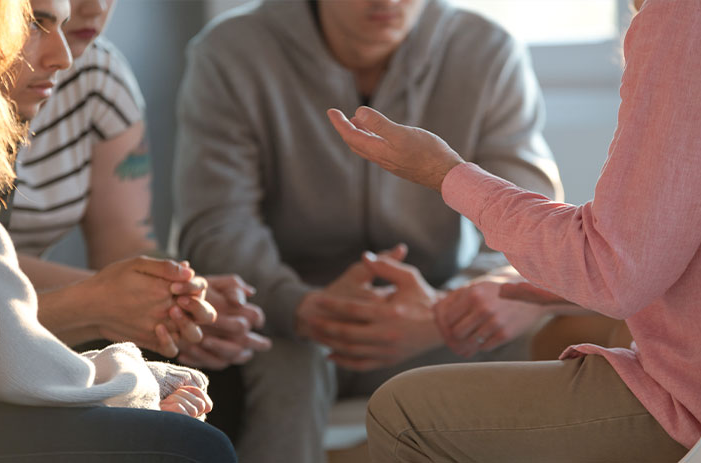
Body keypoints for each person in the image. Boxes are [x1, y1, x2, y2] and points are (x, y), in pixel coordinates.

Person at [172, 0, 568, 460]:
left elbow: (533, 221)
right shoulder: (231, 50)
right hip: (285, 320)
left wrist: (447, 307)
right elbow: (217, 224)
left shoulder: (487, 50)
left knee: (575, 333)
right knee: (284, 367)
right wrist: (300, 307)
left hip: (435, 314)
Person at [327, 0, 701, 459]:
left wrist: (445, 173)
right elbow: (657, 249)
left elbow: (615, 269)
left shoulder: (688, 16)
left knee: (402, 414)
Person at [0, 0, 236, 461]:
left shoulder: (98, 75)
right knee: (191, 446)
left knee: (215, 372)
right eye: (34, 22)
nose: (61, 54)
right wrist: (133, 384)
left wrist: (169, 298)